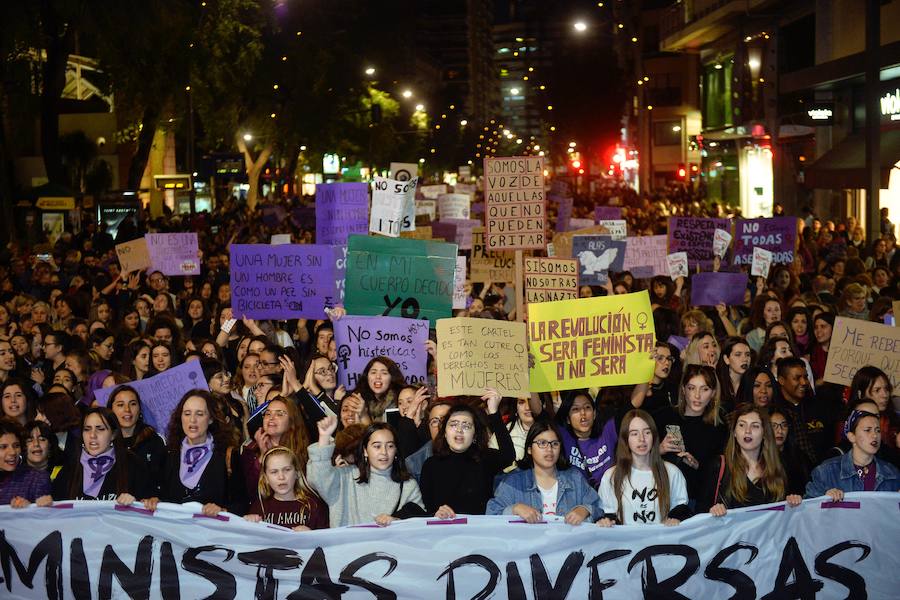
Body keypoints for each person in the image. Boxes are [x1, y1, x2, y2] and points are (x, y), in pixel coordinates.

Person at [308, 415, 426, 527]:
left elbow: (419, 525)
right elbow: (319, 479)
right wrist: (324, 437)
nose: (384, 452)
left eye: (390, 446)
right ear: (365, 451)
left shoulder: (408, 485)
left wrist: (397, 521)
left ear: (396, 450)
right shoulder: (345, 477)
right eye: (377, 446)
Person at [420, 389, 515, 517]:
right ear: (445, 433)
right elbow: (428, 508)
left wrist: (494, 412)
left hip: (480, 528)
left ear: (474, 435)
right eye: (453, 425)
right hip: (444, 527)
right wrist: (436, 514)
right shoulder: (430, 466)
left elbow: (508, 456)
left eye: (466, 426)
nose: (459, 430)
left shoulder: (485, 459)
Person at [486, 419, 601, 525]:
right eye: (542, 443)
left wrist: (585, 510)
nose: (549, 449)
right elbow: (491, 514)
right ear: (529, 449)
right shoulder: (513, 482)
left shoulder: (574, 478)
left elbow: (598, 507)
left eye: (554, 444)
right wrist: (514, 509)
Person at [155, 390, 247, 516]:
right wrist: (155, 500)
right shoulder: (169, 453)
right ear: (180, 417)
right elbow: (161, 495)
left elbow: (242, 504)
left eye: (199, 414)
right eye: (187, 414)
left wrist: (222, 510)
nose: (192, 420)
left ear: (210, 419)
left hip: (213, 528)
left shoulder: (227, 455)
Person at [701, 404, 803, 514]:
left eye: (755, 426)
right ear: (734, 432)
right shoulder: (719, 466)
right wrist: (713, 510)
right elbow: (701, 511)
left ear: (764, 433)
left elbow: (785, 512)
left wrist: (793, 502)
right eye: (742, 425)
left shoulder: (780, 466)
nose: (747, 431)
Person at [596, 409, 690, 526]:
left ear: (654, 436)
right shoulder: (611, 476)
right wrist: (606, 522)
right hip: (627, 538)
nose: (642, 439)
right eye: (634, 434)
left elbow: (681, 508)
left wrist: (676, 519)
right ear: (625, 439)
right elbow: (607, 514)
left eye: (647, 432)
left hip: (661, 537)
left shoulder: (672, 472)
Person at [656, 364, 728, 502]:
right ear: (683, 389)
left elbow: (721, 473)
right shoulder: (664, 417)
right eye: (691, 388)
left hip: (700, 499)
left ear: (713, 393)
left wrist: (698, 466)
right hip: (663, 496)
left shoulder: (719, 427)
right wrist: (659, 449)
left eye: (705, 389)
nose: (697, 395)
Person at [51, 407, 152, 503]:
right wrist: (47, 504)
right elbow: (56, 506)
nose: (92, 435)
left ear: (113, 434)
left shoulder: (134, 464)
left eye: (100, 429)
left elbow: (149, 503)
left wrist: (136, 502)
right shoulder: (70, 466)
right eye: (87, 429)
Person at [805, 409, 900, 499]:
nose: (875, 435)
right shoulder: (826, 471)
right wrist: (824, 498)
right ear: (851, 436)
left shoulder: (891, 473)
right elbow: (808, 505)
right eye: (868, 430)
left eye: (878, 430)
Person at [240, 396, 309, 500]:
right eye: (268, 414)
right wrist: (262, 456)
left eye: (279, 414)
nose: (271, 418)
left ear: (292, 421)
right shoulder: (250, 451)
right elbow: (250, 492)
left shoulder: (304, 450)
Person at [243, 446, 328, 530]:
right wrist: (247, 525)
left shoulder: (313, 505)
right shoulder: (259, 507)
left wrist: (310, 535)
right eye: (274, 472)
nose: (281, 477)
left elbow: (327, 537)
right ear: (266, 478)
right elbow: (249, 536)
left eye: (287, 470)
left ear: (297, 473)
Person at [107, 385, 167, 496]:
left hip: (145, 504)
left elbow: (163, 480)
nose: (127, 410)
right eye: (120, 405)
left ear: (139, 409)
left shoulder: (154, 441)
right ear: (111, 410)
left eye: (133, 404)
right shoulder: (105, 442)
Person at [554, 390, 618, 489]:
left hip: (610, 495)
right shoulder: (564, 437)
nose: (583, 413)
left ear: (594, 413)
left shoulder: (607, 431)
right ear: (568, 419)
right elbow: (539, 412)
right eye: (575, 409)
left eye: (587, 407)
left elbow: (633, 405)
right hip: (579, 497)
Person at [0, 418, 52, 506]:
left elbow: (44, 512)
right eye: (3, 447)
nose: (12, 452)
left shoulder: (37, 479)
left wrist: (30, 507)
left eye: (16, 446)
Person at [769, 408, 812, 496]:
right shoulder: (759, 459)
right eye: (774, 426)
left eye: (784, 425)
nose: (780, 431)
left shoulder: (800, 457)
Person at [715, 337, 752, 413]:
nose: (745, 359)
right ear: (726, 359)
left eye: (747, 355)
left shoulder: (753, 382)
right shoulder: (716, 382)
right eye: (738, 355)